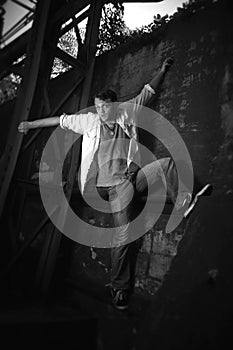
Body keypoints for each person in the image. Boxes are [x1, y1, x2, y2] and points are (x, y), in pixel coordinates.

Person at [18, 57, 210, 310]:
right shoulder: (89, 121)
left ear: (114, 105)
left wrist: (162, 69)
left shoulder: (127, 111)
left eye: (104, 107)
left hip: (129, 179)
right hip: (107, 187)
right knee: (122, 236)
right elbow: (60, 120)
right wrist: (30, 124)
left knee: (165, 164)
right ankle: (119, 288)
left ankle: (183, 203)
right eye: (97, 107)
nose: (100, 111)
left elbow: (148, 92)